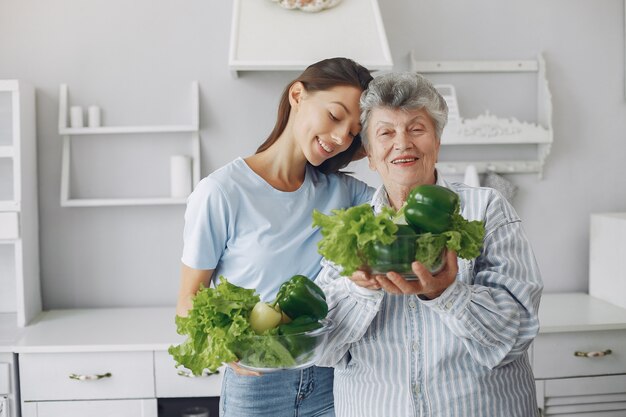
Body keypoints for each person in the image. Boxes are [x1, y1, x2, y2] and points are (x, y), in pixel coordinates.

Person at [314, 72, 544, 417]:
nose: (403, 143)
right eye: (386, 133)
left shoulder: (487, 208)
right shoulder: (352, 228)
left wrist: (448, 293)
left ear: (436, 143)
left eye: (416, 129)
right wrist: (358, 289)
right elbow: (322, 348)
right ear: (371, 156)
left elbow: (516, 332)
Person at [175, 57, 374, 417]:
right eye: (334, 115)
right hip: (257, 387)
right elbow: (189, 299)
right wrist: (228, 346)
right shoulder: (222, 191)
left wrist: (378, 139)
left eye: (354, 131)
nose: (340, 137)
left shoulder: (345, 193)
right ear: (298, 94)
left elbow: (400, 203)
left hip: (333, 379)